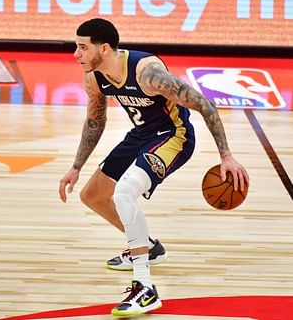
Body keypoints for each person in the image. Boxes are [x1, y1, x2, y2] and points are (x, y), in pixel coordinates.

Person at [58, 18, 249, 316]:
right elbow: (96, 120)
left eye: (82, 47)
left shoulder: (148, 73)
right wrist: (76, 166)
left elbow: (204, 104)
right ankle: (149, 246)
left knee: (123, 194)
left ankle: (145, 287)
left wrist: (226, 155)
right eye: (76, 46)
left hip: (175, 136)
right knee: (92, 195)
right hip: (142, 135)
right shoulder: (94, 76)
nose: (75, 54)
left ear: (104, 48)